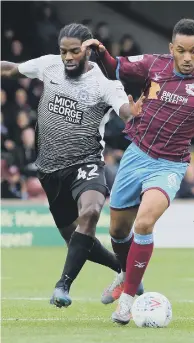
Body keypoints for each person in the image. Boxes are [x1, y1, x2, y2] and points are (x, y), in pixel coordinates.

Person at [81, 18, 194, 324]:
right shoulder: (152, 65)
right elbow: (115, 68)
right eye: (181, 50)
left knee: (144, 224)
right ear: (172, 48)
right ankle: (126, 274)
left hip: (170, 165)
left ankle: (128, 301)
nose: (187, 57)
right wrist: (100, 51)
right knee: (118, 231)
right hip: (136, 156)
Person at [1, 22, 145, 308]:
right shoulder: (48, 65)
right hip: (50, 170)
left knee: (90, 213)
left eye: (74, 52)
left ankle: (62, 285)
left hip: (87, 163)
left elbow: (125, 110)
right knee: (79, 241)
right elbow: (10, 68)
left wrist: (134, 111)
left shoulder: (105, 84)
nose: (67, 57)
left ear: (87, 51)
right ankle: (124, 269)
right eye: (63, 51)